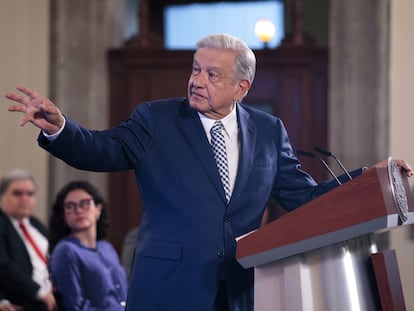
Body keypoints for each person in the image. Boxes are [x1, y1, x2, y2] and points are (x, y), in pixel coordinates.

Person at [4, 33, 413, 311]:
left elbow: (304, 198)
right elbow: (100, 149)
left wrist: (367, 180)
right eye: (196, 69)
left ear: (242, 88)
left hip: (240, 290)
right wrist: (60, 127)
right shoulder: (156, 119)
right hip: (168, 287)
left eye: (212, 74)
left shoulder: (269, 131)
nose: (197, 81)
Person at [48, 180, 128, 311]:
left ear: (98, 209)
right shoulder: (65, 251)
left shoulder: (107, 247)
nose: (78, 210)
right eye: (70, 206)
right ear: (63, 215)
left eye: (85, 203)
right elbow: (75, 305)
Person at [0, 169, 56, 311]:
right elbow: (3, 266)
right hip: (24, 302)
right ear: (2, 197)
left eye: (30, 194)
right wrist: (39, 292)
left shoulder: (36, 224)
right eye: (17, 193)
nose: (24, 198)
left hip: (52, 298)